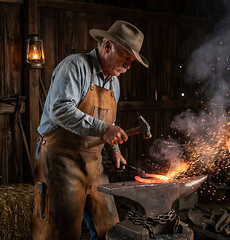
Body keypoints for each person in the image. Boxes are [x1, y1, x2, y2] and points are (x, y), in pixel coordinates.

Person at [32, 20, 149, 240]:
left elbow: (108, 121)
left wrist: (114, 151)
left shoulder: (113, 81)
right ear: (107, 47)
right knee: (60, 230)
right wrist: (105, 129)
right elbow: (60, 110)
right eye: (126, 57)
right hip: (59, 160)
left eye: (131, 61)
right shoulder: (75, 66)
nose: (128, 66)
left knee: (108, 227)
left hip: (94, 164)